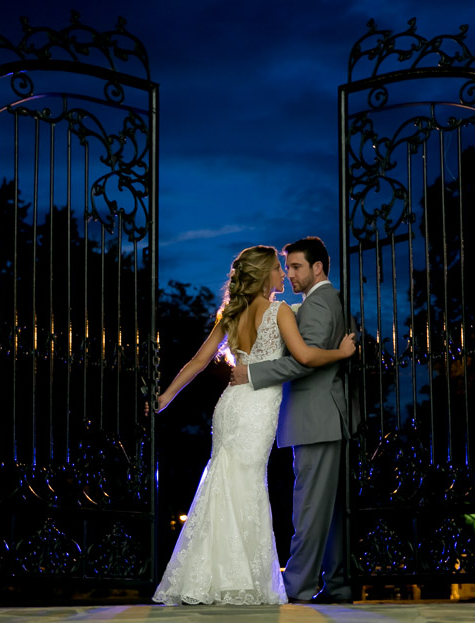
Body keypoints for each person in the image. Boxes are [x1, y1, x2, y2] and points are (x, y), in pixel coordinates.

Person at [151, 244, 355, 606]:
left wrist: (166, 397)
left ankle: (207, 575)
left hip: (229, 408)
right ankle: (239, 579)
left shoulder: (231, 313)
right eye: (279, 268)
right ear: (265, 276)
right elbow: (306, 356)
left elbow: (198, 361)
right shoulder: (279, 312)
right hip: (257, 408)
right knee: (246, 487)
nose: (284, 274)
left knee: (223, 483)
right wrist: (341, 353)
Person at [230, 236, 356, 604]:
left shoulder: (318, 303)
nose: (290, 274)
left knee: (310, 508)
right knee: (330, 510)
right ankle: (338, 584)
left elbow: (305, 360)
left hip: (316, 418)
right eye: (287, 267)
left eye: (297, 266)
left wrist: (252, 374)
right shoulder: (320, 302)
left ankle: (298, 587)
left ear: (318, 268)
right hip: (325, 418)